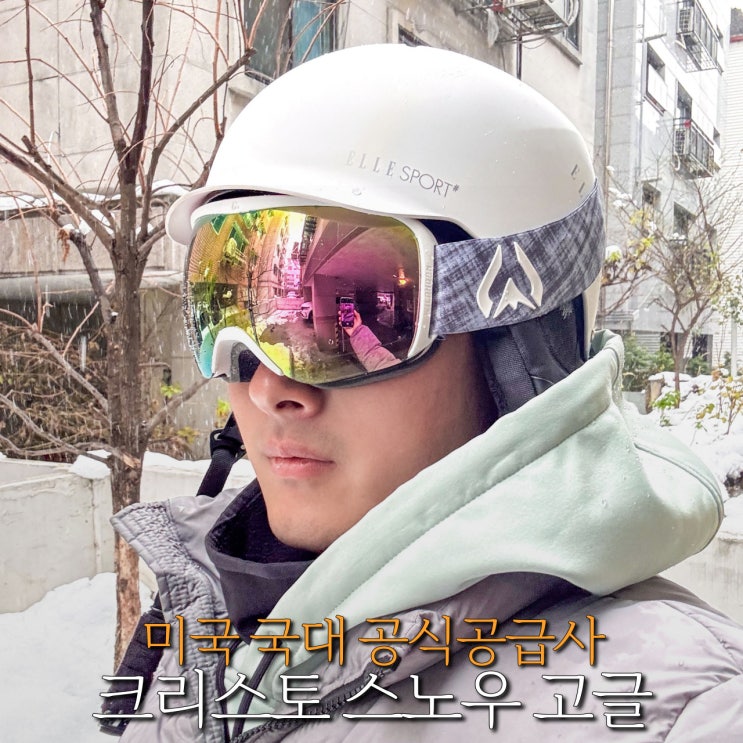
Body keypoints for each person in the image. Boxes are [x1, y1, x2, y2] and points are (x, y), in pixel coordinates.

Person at [105, 45, 743, 742]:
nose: (266, 388)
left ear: (519, 349)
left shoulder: (679, 708)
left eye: (345, 317)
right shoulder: (208, 602)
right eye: (228, 306)